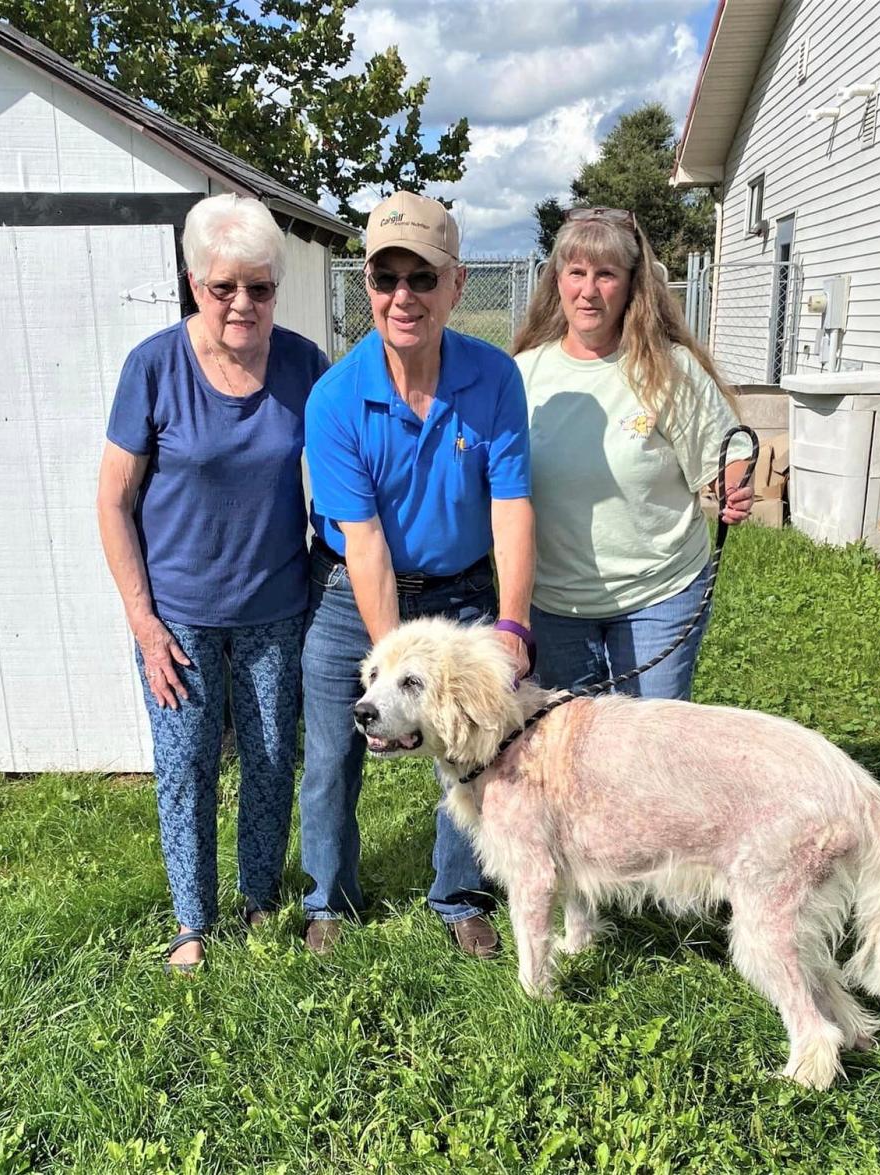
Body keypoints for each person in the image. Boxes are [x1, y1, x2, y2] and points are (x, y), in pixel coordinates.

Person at [97, 193, 328, 971]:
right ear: (195, 282)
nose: (242, 303)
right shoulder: (153, 367)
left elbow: (342, 479)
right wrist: (142, 619)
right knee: (187, 767)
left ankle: (260, 896)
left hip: (277, 607)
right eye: (224, 286)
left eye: (259, 288)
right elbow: (114, 498)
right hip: (179, 617)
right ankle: (193, 923)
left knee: (269, 759)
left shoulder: (303, 365)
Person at [301, 190, 535, 957]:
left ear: (456, 285)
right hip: (355, 592)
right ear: (365, 285)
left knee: (473, 743)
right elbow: (363, 543)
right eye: (385, 277)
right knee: (335, 751)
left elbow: (511, 508)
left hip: (463, 587)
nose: (403, 296)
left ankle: (460, 893)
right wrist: (393, 675)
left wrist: (509, 623)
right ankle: (328, 898)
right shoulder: (336, 397)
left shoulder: (494, 379)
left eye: (422, 278)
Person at [513, 207, 753, 699]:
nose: (589, 289)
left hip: (658, 593)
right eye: (576, 272)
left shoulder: (667, 368)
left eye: (606, 274)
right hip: (556, 601)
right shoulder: (521, 374)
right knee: (565, 749)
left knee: (649, 746)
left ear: (631, 284)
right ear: (556, 279)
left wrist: (730, 481)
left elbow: (726, 450)